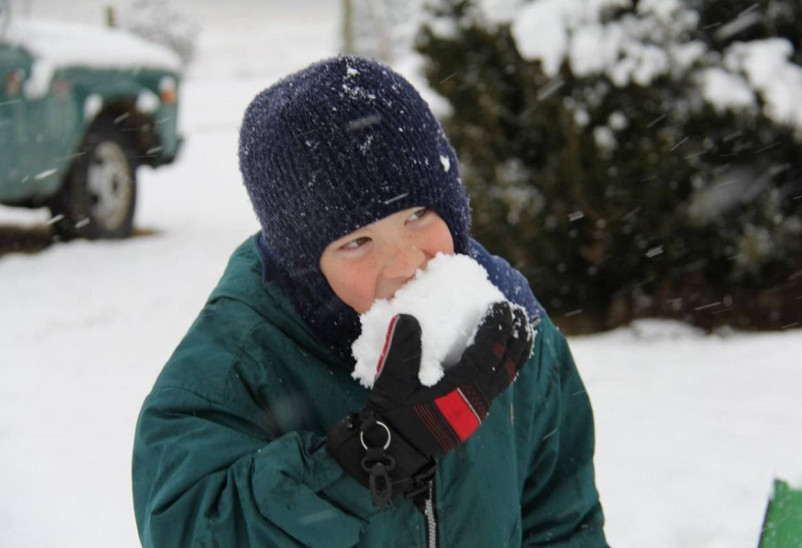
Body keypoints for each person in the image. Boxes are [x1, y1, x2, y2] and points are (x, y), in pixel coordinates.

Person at [132, 55, 608, 547]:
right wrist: (363, 462)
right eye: (356, 243)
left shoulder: (512, 337)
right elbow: (188, 528)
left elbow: (562, 522)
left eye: (419, 214)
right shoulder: (237, 361)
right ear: (308, 270)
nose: (405, 262)